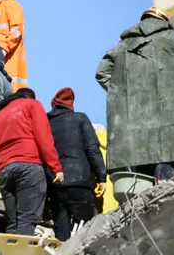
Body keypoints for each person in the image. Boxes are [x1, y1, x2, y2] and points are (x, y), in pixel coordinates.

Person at [95, 6, 174, 181]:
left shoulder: (122, 46)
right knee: (169, 156)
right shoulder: (169, 38)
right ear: (164, 21)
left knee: (143, 161)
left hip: (138, 117)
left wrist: (122, 93)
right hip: (170, 114)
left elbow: (101, 73)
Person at [0, 88, 63, 235]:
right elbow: (44, 139)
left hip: (4, 170)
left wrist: (0, 170)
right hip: (28, 165)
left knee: (13, 223)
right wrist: (56, 168)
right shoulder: (32, 105)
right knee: (26, 221)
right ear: (29, 97)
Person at [46, 87, 107, 241]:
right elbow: (92, 149)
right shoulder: (80, 118)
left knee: (61, 234)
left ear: (53, 105)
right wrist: (101, 177)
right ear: (70, 105)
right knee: (90, 230)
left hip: (55, 183)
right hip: (79, 182)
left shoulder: (45, 123)